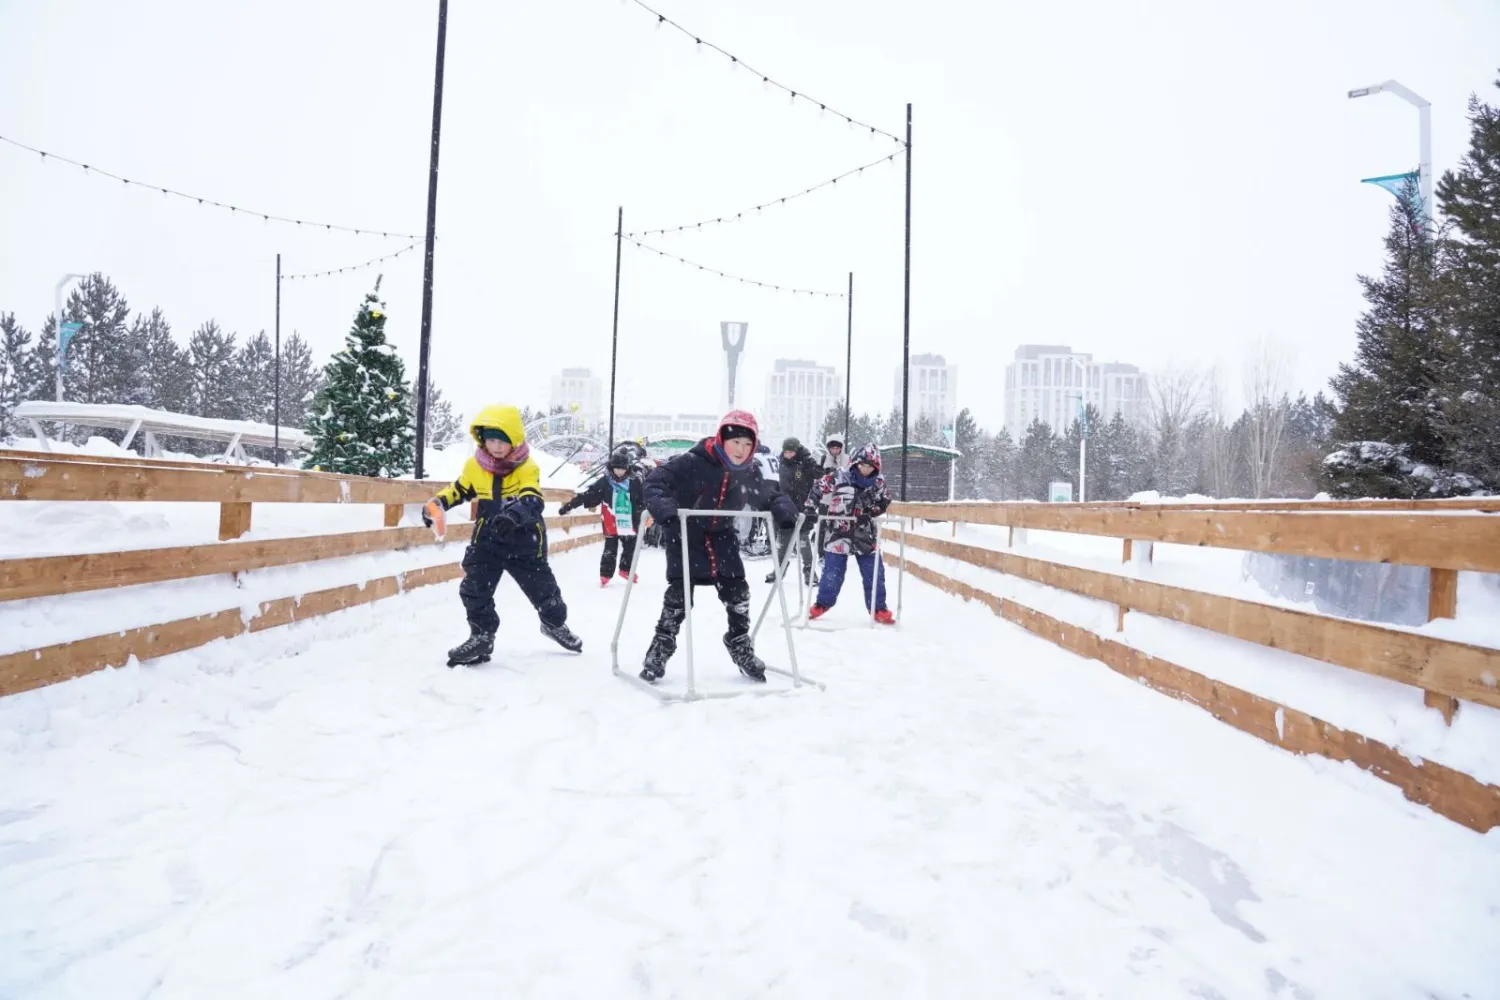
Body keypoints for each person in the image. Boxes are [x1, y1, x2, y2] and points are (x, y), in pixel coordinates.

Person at [640, 410, 797, 683]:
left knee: (738, 592)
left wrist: (784, 510)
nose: (740, 450)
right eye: (735, 442)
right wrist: (666, 510)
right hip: (686, 533)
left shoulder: (749, 471)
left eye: (747, 445)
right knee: (679, 594)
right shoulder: (691, 462)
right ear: (722, 437)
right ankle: (661, 646)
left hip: (723, 536)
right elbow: (655, 482)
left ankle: (738, 642)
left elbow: (768, 495)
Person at [422, 404, 584, 666]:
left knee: (545, 593)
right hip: (488, 539)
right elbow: (460, 489)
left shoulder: (526, 467)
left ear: (514, 439)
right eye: (491, 440)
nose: (496, 446)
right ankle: (482, 636)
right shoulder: (475, 466)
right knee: (474, 589)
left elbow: (532, 498)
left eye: (502, 440)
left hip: (524, 539)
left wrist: (514, 514)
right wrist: (437, 504)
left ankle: (554, 624)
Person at [805, 443, 896, 624]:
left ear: (875, 468)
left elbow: (885, 501)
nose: (865, 469)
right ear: (855, 463)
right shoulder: (840, 475)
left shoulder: (878, 484)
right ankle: (823, 603)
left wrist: (871, 510)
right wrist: (810, 506)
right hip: (839, 530)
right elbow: (819, 486)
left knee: (874, 572)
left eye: (870, 467)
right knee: (832, 572)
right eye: (862, 465)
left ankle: (878, 608)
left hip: (864, 532)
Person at [559, 446, 645, 587]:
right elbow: (589, 494)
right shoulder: (605, 482)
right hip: (611, 519)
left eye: (622, 469)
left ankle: (626, 570)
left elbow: (641, 500)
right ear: (611, 468)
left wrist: (642, 513)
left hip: (629, 520)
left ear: (627, 468)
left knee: (631, 546)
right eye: (616, 469)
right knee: (610, 549)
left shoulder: (634, 482)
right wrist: (569, 506)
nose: (619, 472)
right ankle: (605, 574)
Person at [764, 436, 822, 585]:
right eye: (786, 452)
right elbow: (775, 483)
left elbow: (819, 477)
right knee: (782, 541)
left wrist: (814, 466)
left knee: (802, 540)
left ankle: (809, 571)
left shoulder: (805, 462)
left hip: (803, 507)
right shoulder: (780, 463)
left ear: (797, 451)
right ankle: (780, 569)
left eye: (791, 452)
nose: (788, 455)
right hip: (784, 507)